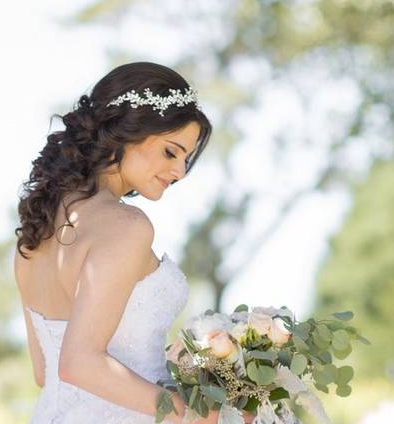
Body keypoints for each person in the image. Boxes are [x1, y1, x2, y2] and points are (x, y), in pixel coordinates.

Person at [14, 61, 253, 424]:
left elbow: (44, 374)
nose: (180, 172)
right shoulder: (127, 226)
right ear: (125, 132)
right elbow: (79, 362)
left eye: (186, 159)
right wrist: (196, 415)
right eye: (171, 152)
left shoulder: (35, 234)